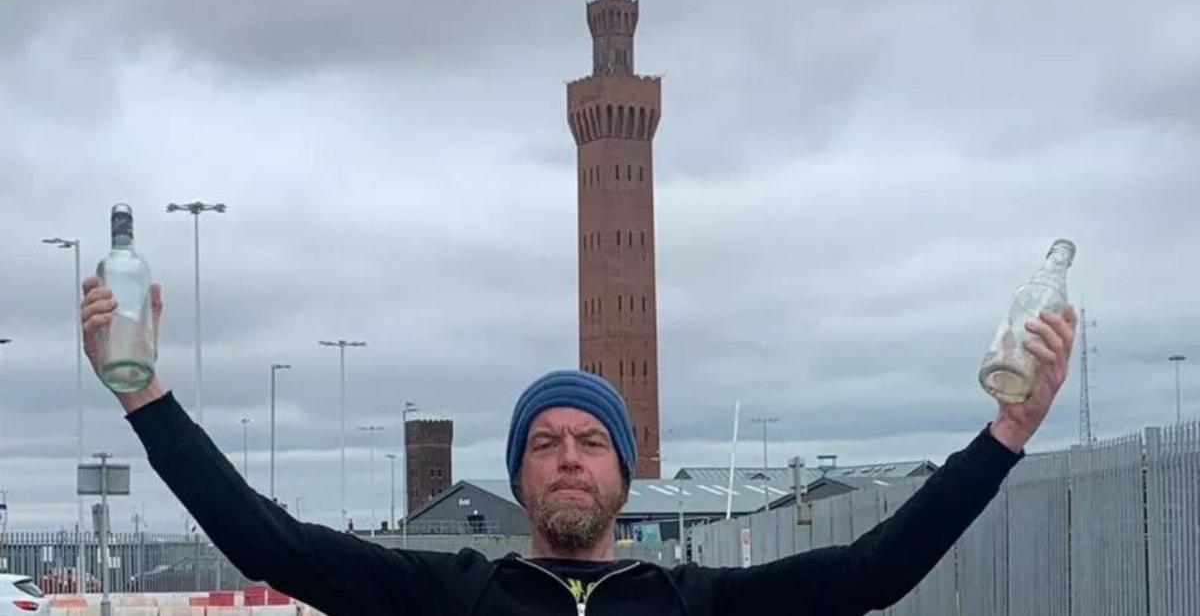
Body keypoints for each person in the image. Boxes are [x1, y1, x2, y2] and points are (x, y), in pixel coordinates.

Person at [80, 277, 1076, 615]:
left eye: (591, 441)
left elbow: (873, 569)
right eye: (546, 441)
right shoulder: (449, 595)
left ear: (623, 473)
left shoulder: (696, 601)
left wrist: (1006, 436)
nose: (567, 456)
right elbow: (271, 545)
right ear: (519, 475)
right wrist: (145, 395)